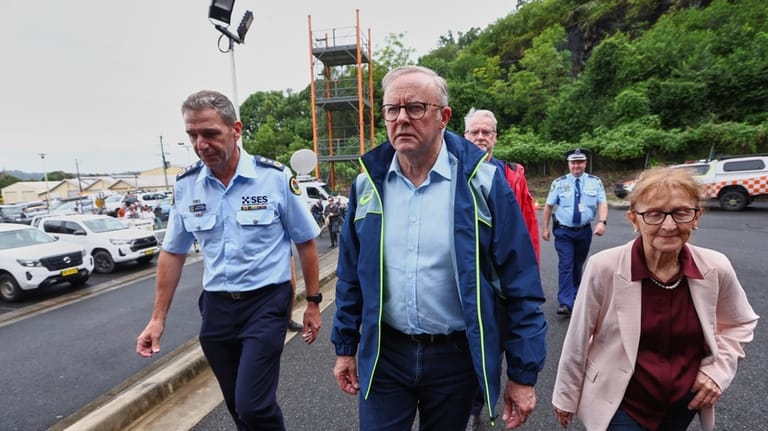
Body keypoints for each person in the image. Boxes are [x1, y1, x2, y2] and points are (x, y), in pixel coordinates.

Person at [331, 65, 547, 431]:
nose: (401, 119)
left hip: (456, 358)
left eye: (415, 108)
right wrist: (345, 345)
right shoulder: (367, 184)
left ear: (443, 116)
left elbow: (520, 283)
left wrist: (523, 374)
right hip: (386, 353)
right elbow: (351, 273)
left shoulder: (484, 182)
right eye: (391, 110)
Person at [136, 90, 322, 431]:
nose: (200, 143)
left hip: (266, 302)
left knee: (254, 406)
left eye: (210, 133)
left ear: (235, 129)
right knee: (238, 406)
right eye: (192, 135)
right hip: (217, 308)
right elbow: (173, 253)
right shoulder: (187, 185)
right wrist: (157, 319)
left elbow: (306, 242)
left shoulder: (274, 178)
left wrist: (312, 302)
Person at [552, 166, 759, 431]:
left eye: (682, 212)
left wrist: (717, 373)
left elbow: (740, 323)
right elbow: (578, 336)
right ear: (633, 219)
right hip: (620, 399)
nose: (669, 225)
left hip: (683, 400)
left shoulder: (715, 267)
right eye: (654, 214)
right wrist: (565, 396)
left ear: (697, 217)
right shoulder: (604, 266)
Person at [463, 108, 541, 430]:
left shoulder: (511, 176)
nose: (481, 137)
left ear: (495, 137)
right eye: (474, 132)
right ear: (464, 135)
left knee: (503, 342)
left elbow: (528, 229)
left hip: (505, 278)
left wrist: (527, 280)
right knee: (473, 348)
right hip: (473, 281)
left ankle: (485, 402)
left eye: (487, 132)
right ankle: (470, 406)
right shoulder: (455, 173)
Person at [541, 148, 608, 317]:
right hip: (564, 232)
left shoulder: (595, 182)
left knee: (578, 264)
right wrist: (545, 228)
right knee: (566, 264)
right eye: (573, 162)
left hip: (583, 231)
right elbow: (548, 206)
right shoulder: (559, 183)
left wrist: (602, 222)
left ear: (585, 163)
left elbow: (602, 203)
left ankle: (576, 295)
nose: (576, 165)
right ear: (568, 164)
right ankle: (565, 302)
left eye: (580, 162)